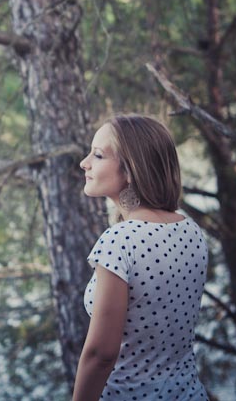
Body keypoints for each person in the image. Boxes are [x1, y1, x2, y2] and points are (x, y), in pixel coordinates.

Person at [72, 114, 209, 400]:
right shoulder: (192, 231)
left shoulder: (119, 242)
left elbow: (101, 355)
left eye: (98, 155)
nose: (85, 163)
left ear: (131, 169)